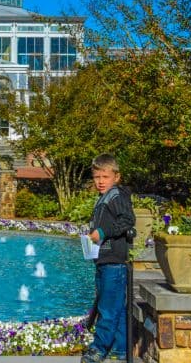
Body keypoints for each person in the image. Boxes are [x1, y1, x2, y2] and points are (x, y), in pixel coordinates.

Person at [81, 154, 136, 363]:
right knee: (116, 309)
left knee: (107, 309)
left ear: (117, 177)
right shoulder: (104, 198)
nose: (100, 181)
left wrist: (102, 233)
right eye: (96, 177)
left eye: (105, 176)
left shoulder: (115, 196)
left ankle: (99, 349)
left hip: (114, 262)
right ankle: (121, 350)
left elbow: (128, 220)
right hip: (105, 261)